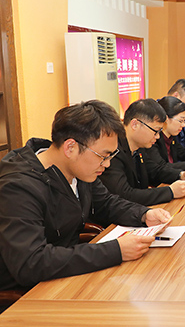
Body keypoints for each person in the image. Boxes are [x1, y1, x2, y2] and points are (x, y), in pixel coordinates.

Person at [0, 100, 171, 293]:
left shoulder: (78, 170)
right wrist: (115, 251)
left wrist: (144, 214)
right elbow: (31, 263)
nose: (107, 164)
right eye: (103, 156)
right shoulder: (18, 187)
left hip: (66, 276)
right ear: (70, 148)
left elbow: (106, 203)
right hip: (28, 293)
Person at [98, 99, 185, 206]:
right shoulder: (113, 151)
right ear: (135, 124)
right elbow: (125, 195)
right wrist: (170, 192)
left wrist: (181, 175)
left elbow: (154, 171)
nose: (158, 136)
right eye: (155, 131)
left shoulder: (139, 146)